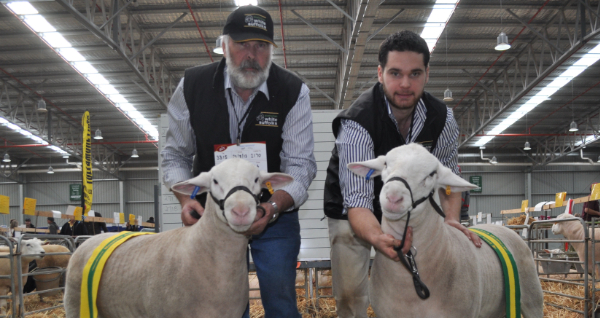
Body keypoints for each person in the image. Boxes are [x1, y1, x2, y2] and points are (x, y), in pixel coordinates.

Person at [160, 5, 316, 318]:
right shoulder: (191, 87)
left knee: (281, 300)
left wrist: (271, 209)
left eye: (260, 46)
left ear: (271, 50)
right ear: (224, 45)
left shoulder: (293, 92)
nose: (251, 55)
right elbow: (175, 154)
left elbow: (300, 166)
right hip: (212, 214)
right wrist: (186, 197)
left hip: (272, 215)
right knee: (221, 304)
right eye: (242, 44)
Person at [323, 30, 482, 318]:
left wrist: (451, 219)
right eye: (395, 73)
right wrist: (377, 236)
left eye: (415, 73)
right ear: (380, 73)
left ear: (427, 74)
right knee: (350, 293)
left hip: (414, 206)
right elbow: (358, 201)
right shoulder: (358, 121)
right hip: (354, 209)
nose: (405, 84)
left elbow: (449, 172)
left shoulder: (442, 118)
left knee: (430, 277)